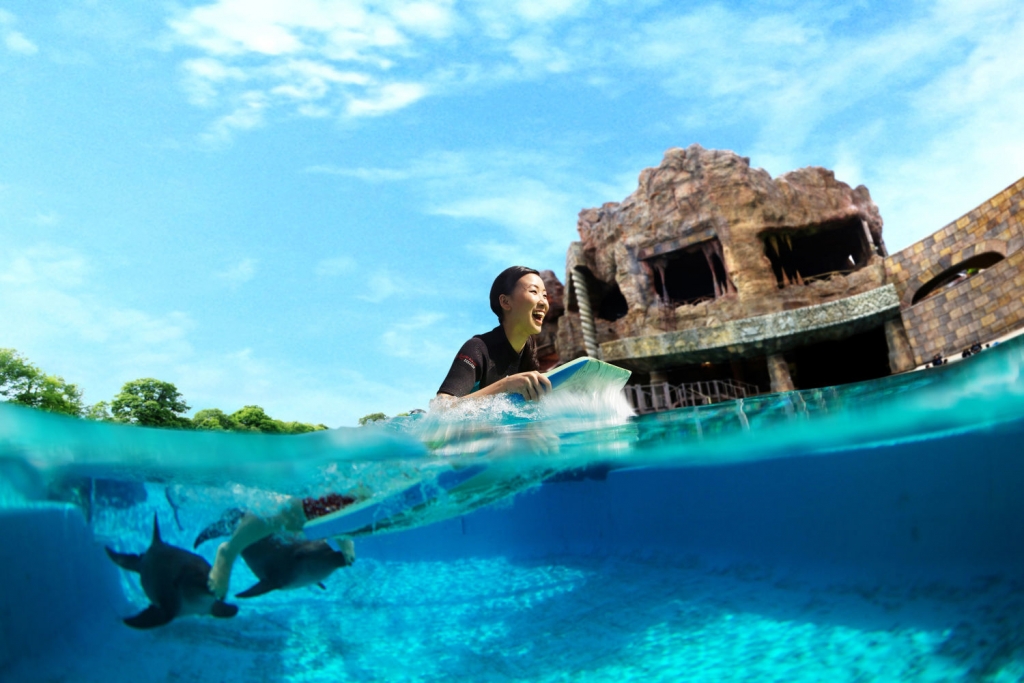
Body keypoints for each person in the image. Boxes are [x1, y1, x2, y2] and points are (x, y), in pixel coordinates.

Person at [436, 265, 553, 402]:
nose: (543, 302)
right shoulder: (477, 348)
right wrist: (506, 385)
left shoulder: (530, 350)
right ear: (505, 301)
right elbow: (441, 408)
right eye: (534, 291)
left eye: (544, 295)